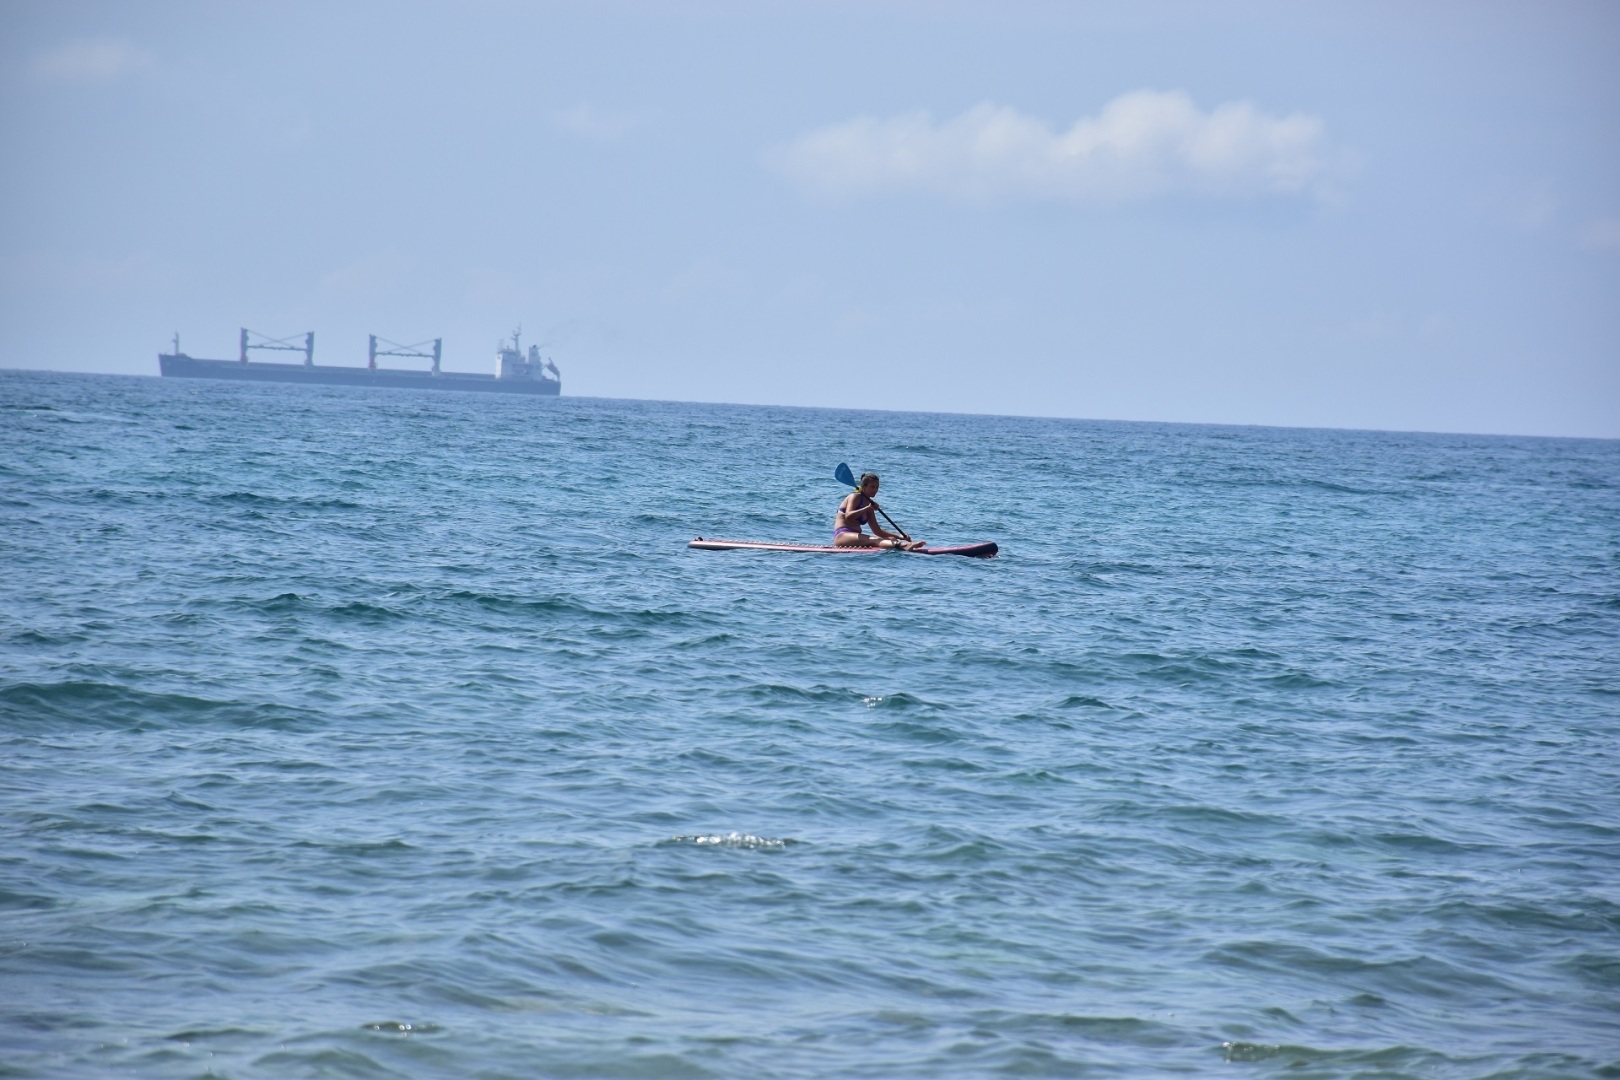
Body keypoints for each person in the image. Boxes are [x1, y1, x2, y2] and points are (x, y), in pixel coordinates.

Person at [834, 472, 924, 549]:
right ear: (864, 486)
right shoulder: (855, 497)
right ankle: (904, 546)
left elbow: (877, 531)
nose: (875, 490)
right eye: (872, 487)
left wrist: (899, 536)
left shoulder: (869, 504)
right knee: (876, 540)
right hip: (842, 536)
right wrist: (867, 508)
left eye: (877, 487)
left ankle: (900, 544)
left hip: (856, 537)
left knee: (891, 539)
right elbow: (848, 516)